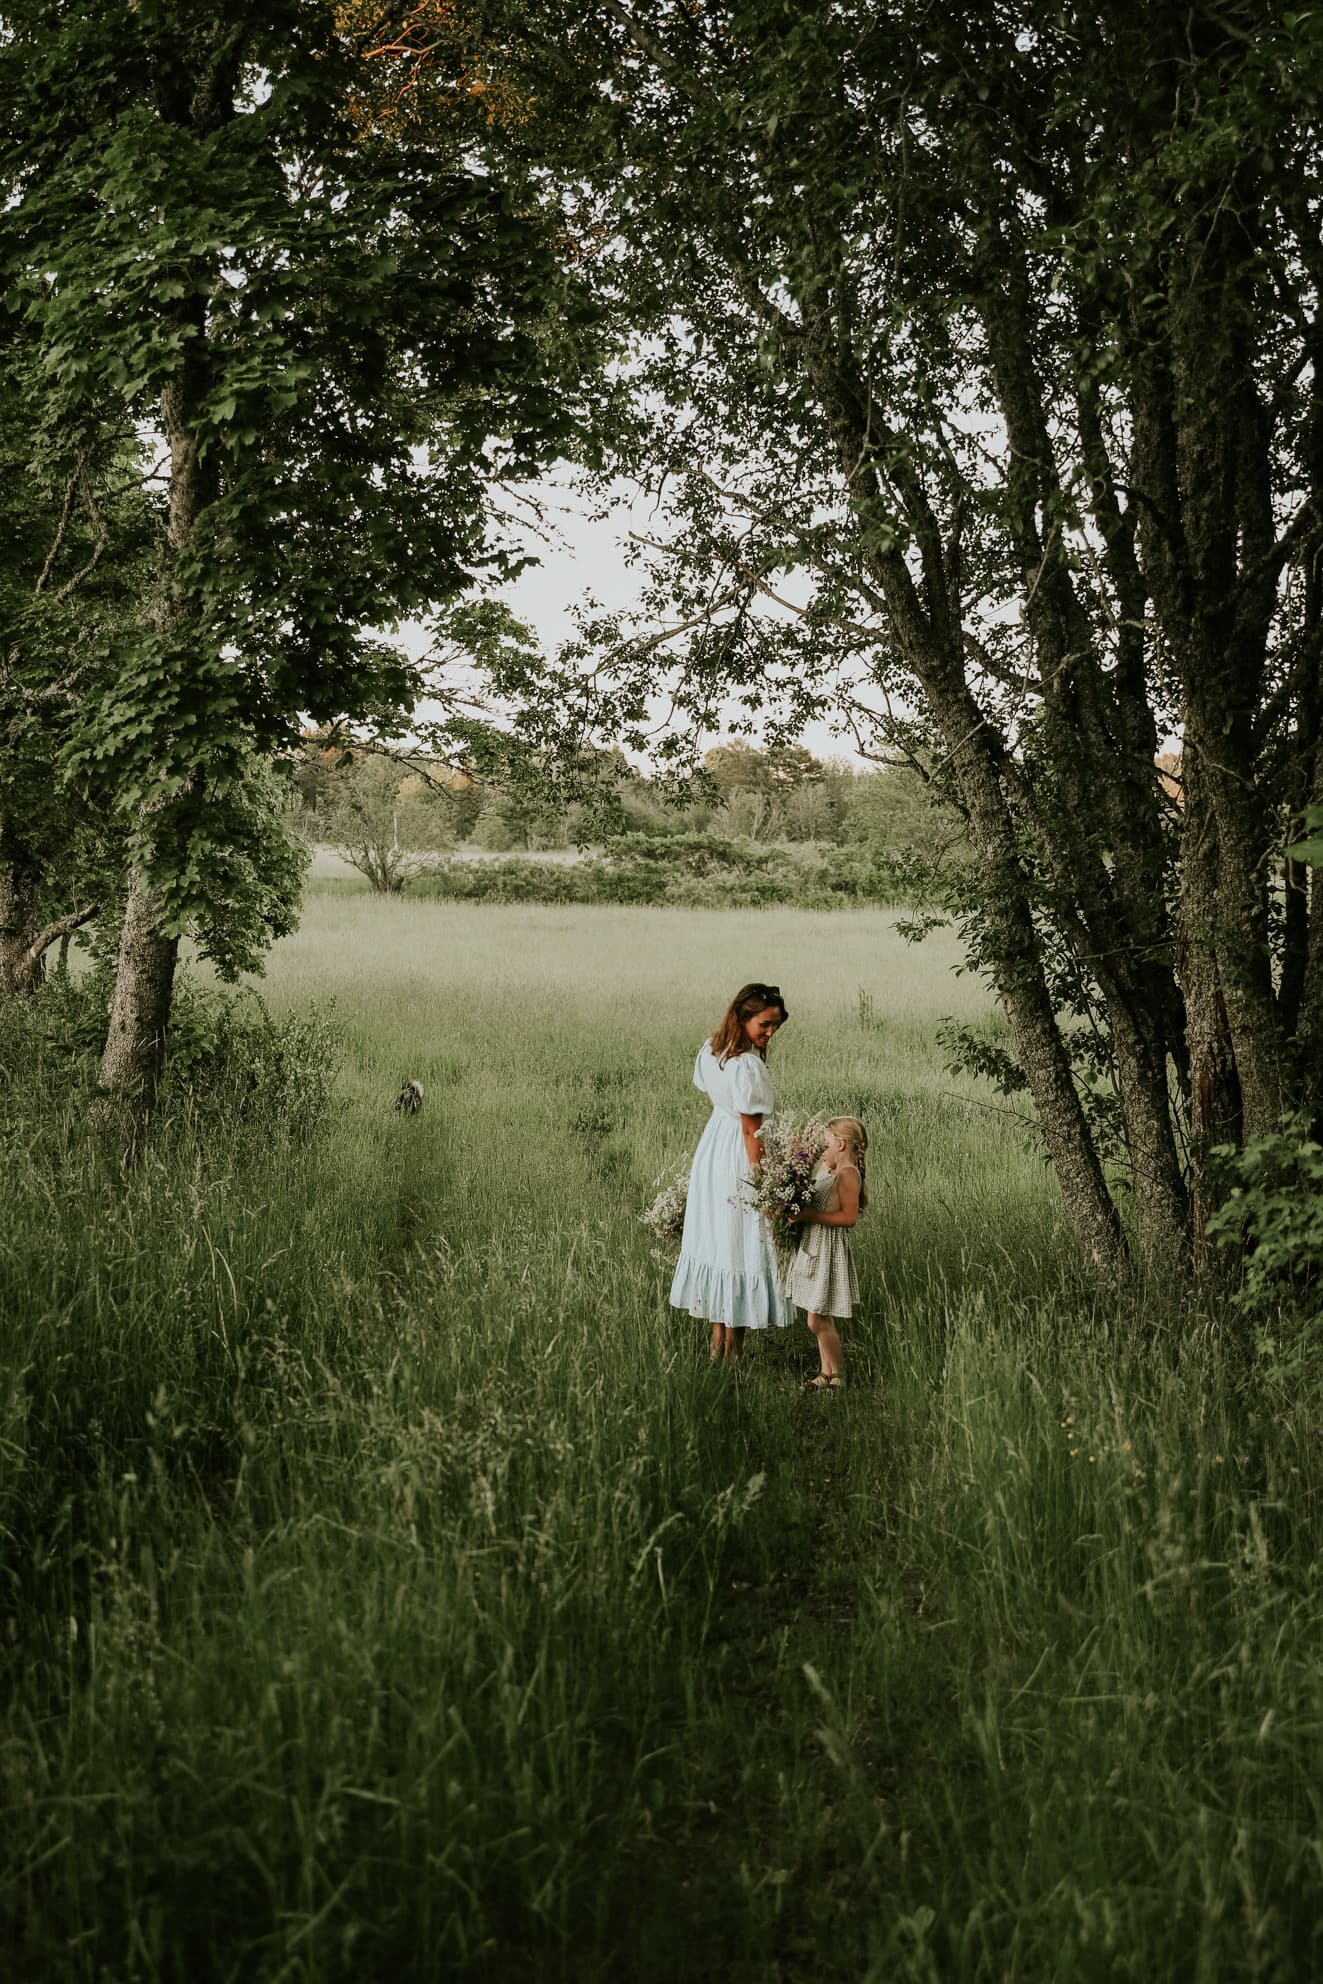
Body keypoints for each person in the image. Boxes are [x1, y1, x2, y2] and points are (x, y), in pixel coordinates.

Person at [669, 982, 791, 1363]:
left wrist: (728, 1112)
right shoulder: (748, 1066)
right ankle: (733, 1352)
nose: (770, 1032)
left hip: (713, 1150)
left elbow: (710, 1094)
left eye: (776, 1026)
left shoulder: (712, 1049)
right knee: (740, 1243)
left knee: (721, 1241)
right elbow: (751, 1130)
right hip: (739, 1155)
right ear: (743, 1018)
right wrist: (765, 1186)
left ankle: (717, 1346)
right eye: (765, 1024)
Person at [785, 1116, 868, 1391]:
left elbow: (849, 1217)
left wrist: (811, 1215)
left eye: (827, 1144)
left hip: (828, 1249)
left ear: (841, 1144)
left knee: (816, 1318)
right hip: (814, 1246)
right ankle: (826, 1372)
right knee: (820, 1313)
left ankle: (837, 1375)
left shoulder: (848, 1175)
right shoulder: (829, 1169)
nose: (824, 1149)